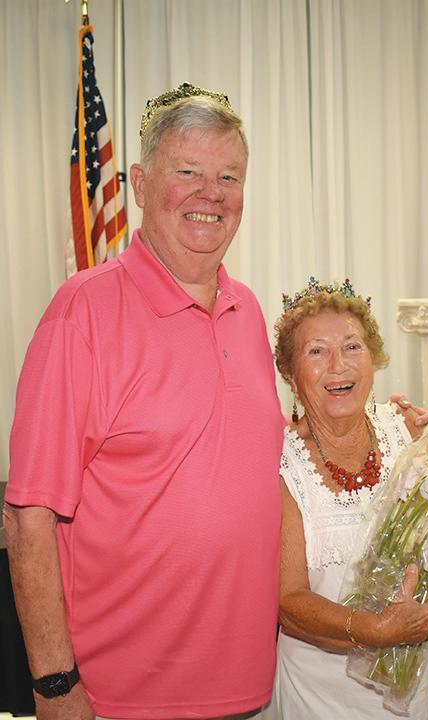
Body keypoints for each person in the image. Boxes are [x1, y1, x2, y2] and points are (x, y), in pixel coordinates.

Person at [4, 84, 285, 720]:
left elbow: (243, 457)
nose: (211, 193)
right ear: (138, 182)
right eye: (187, 171)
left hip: (251, 688)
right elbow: (27, 516)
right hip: (118, 698)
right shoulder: (82, 311)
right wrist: (55, 686)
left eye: (228, 176)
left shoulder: (247, 310)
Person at [265, 278, 428, 720]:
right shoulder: (279, 465)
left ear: (373, 358)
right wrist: (377, 630)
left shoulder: (412, 432)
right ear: (290, 373)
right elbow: (290, 603)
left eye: (352, 347)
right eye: (317, 352)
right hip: (323, 698)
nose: (338, 365)